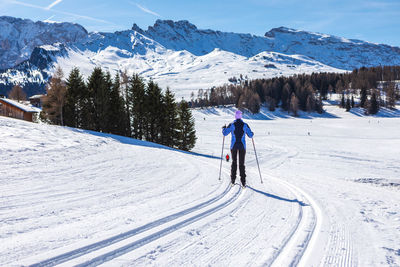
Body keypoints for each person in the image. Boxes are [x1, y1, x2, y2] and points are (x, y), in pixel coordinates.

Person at [222, 110, 254, 187]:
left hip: (234, 147)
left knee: (234, 163)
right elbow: (250, 135)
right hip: (242, 147)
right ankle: (243, 182)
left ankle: (233, 180)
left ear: (235, 116)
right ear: (241, 116)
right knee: (241, 164)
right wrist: (252, 133)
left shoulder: (232, 124)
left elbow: (225, 133)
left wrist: (223, 128)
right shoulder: (245, 125)